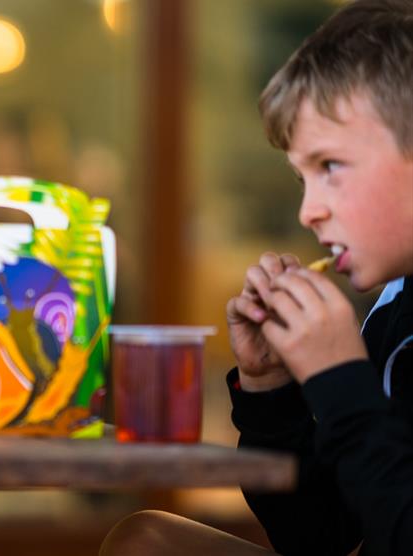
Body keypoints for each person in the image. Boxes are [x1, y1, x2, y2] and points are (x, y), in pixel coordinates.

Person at [100, 1, 413, 555]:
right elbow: (317, 537)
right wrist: (270, 391)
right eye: (301, 179)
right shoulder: (393, 306)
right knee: (144, 542)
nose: (308, 211)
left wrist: (342, 379)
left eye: (330, 168)